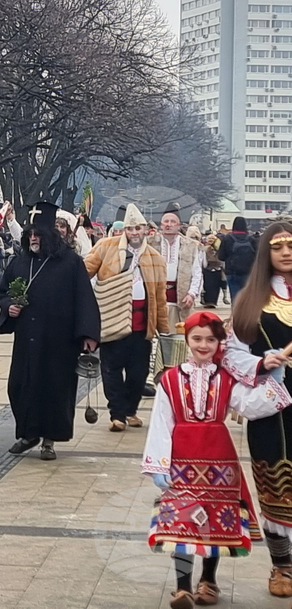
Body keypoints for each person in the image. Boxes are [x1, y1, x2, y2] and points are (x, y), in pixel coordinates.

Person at [144, 311, 290, 609]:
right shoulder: (169, 380)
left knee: (214, 522)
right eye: (197, 338)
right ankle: (182, 587)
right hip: (182, 460)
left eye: (210, 340)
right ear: (187, 340)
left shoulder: (226, 378)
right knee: (182, 522)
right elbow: (161, 421)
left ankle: (208, 581)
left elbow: (249, 406)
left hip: (219, 460)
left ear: (219, 344)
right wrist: (158, 464)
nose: (203, 345)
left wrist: (274, 381)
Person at [0, 202, 100, 460]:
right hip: (27, 339)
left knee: (54, 389)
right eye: (30, 234)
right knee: (20, 387)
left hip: (59, 340)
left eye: (38, 234)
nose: (32, 238)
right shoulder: (20, 262)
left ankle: (49, 441)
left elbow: (85, 299)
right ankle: (29, 434)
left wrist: (88, 334)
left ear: (50, 235)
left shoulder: (71, 262)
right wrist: (8, 307)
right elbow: (2, 291)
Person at [223, 221, 292, 599]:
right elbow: (232, 355)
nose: (286, 253)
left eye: (290, 245)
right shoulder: (252, 301)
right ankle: (282, 566)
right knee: (276, 486)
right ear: (265, 253)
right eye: (277, 247)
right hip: (274, 406)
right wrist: (262, 362)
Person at [83, 204, 168, 432]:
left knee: (138, 374)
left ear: (145, 230)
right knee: (111, 371)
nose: (134, 233)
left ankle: (130, 410)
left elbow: (159, 296)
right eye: (130, 228)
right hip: (112, 321)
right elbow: (83, 273)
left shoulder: (155, 258)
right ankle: (117, 414)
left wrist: (163, 327)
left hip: (141, 327)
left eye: (138, 228)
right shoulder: (105, 247)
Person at [219, 216, 257, 300]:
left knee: (235, 297)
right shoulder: (251, 239)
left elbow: (221, 257)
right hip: (248, 273)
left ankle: (236, 308)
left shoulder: (227, 238)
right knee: (247, 298)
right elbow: (257, 256)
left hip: (232, 272)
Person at [202, 232, 224, 308]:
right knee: (216, 286)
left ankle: (208, 301)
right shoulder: (218, 249)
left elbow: (204, 261)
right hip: (217, 268)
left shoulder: (205, 249)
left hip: (208, 269)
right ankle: (214, 301)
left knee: (208, 286)